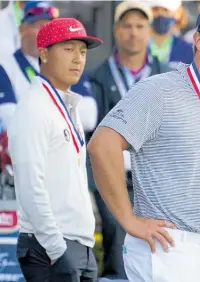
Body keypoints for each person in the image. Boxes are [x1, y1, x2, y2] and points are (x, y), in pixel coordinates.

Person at [87, 5, 200, 282]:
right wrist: (128, 220)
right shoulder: (157, 90)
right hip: (165, 249)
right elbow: (101, 145)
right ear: (199, 41)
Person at [8, 17, 103, 281]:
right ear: (44, 53)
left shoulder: (63, 106)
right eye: (68, 49)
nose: (78, 59)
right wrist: (56, 249)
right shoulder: (34, 108)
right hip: (51, 246)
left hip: (76, 244)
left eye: (82, 51)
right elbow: (29, 185)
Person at [88, 1, 171, 279]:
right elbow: (94, 136)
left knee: (161, 248)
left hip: (157, 179)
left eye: (139, 26)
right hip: (115, 177)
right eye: (126, 26)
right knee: (118, 248)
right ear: (115, 30)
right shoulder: (98, 77)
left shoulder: (168, 75)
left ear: (149, 30)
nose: (133, 33)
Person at [0, 1, 97, 131]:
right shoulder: (5, 68)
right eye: (40, 26)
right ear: (22, 30)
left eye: (51, 28)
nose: (48, 34)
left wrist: (35, 114)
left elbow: (89, 117)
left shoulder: (69, 62)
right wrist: (65, 110)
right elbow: (9, 119)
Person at [146, 0, 193, 69]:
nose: (160, 14)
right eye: (155, 9)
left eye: (165, 10)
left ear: (176, 14)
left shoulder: (188, 50)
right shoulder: (137, 47)